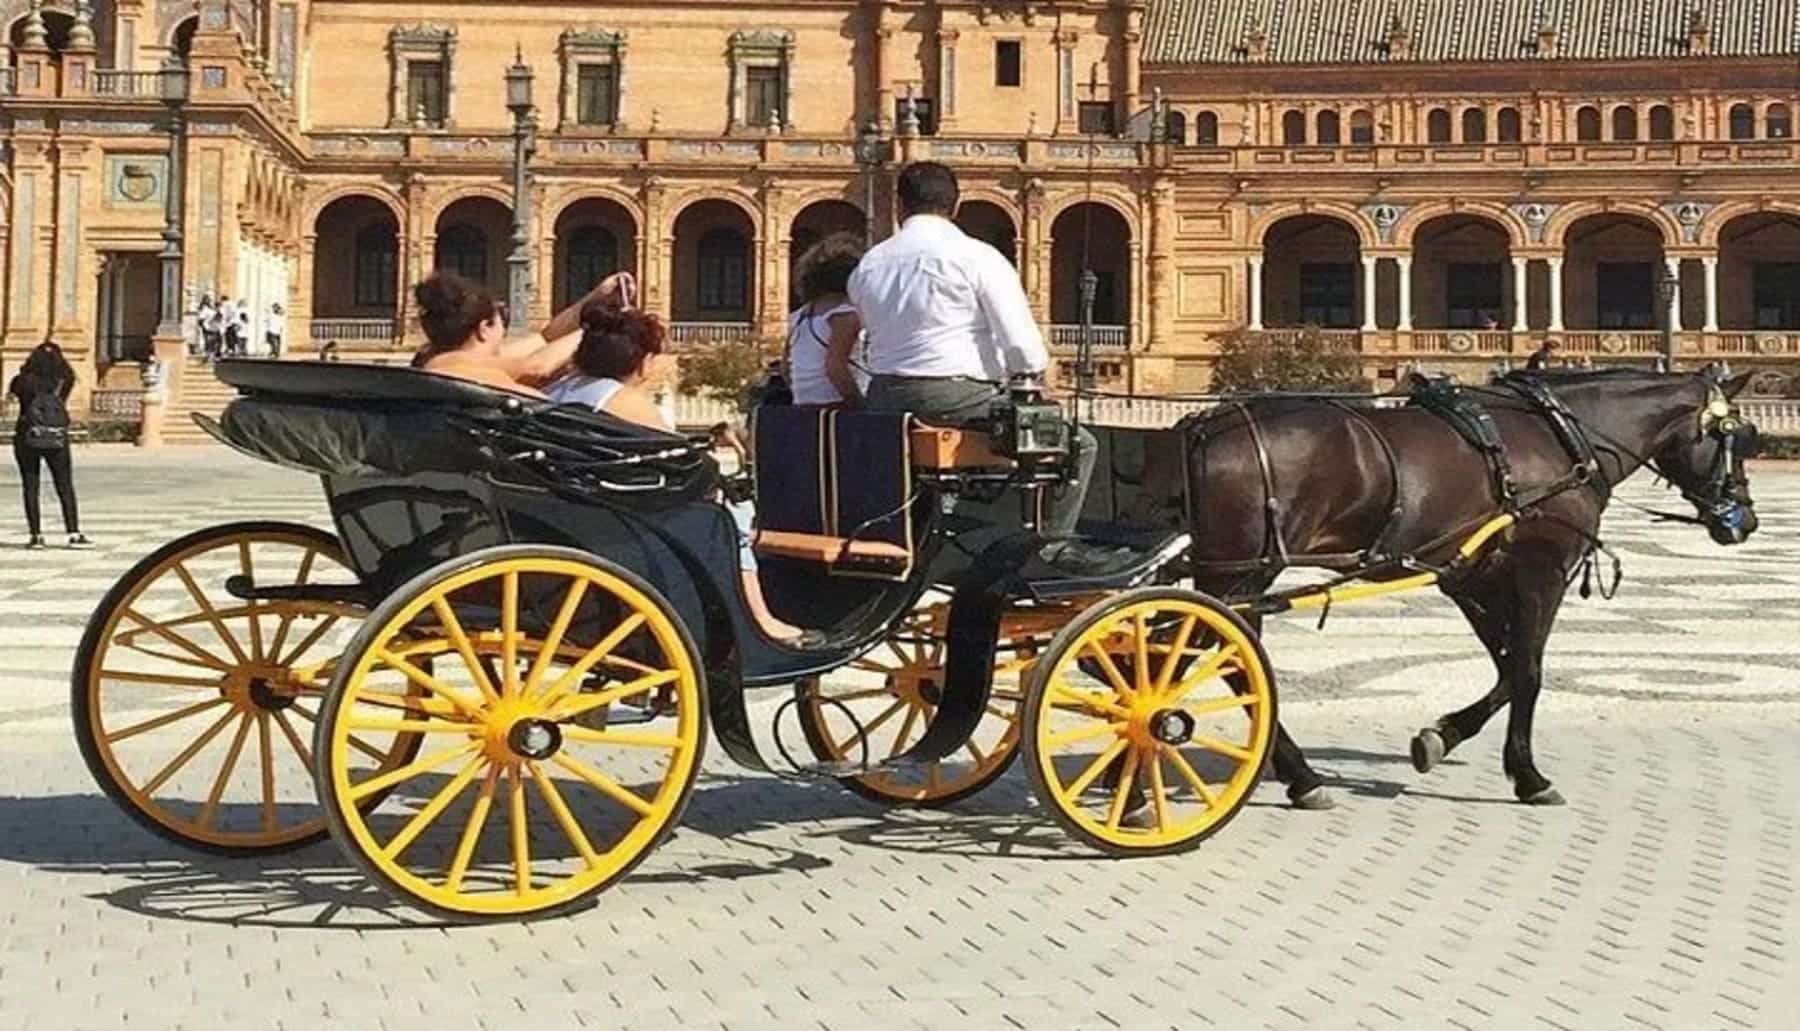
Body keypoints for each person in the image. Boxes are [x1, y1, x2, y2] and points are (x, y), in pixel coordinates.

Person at [848, 160, 1096, 535]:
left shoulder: (869, 264)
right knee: (1079, 444)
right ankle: (1049, 546)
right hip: (955, 398)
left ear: (899, 205)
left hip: (883, 399)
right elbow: (1024, 350)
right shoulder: (977, 256)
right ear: (956, 206)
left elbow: (867, 335)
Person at [548, 305, 804, 642]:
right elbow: (682, 463)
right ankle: (758, 618)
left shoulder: (558, 390)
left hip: (567, 508)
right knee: (731, 519)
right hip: (619, 516)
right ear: (641, 360)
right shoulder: (623, 400)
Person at [411, 270, 631, 394]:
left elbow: (545, 337)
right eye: (501, 317)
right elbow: (536, 368)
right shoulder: (447, 364)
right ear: (483, 329)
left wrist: (596, 297)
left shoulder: (456, 360)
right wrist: (601, 323)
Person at [8, 342, 90, 549]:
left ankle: (36, 535)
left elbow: (13, 395)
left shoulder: (22, 381)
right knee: (64, 485)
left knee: (30, 486)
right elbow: (64, 394)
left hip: (27, 436)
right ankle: (73, 532)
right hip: (56, 437)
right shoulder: (65, 380)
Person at [788, 233, 867, 407]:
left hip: (803, 405)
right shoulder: (845, 315)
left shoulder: (799, 316)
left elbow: (786, 367)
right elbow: (835, 368)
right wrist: (860, 405)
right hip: (836, 404)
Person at [198, 295, 222, 362]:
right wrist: (204, 327)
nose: (209, 301)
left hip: (213, 327)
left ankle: (211, 355)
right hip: (208, 328)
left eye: (209, 300)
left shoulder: (210, 308)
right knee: (210, 342)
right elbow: (201, 319)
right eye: (208, 300)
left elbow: (217, 317)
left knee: (213, 342)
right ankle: (209, 356)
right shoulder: (205, 309)